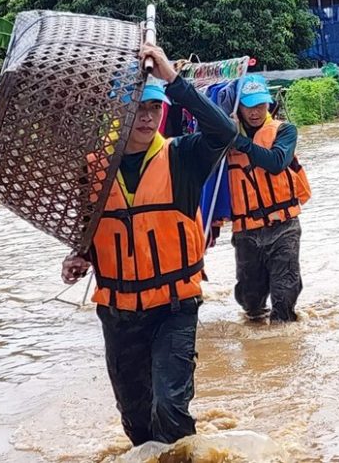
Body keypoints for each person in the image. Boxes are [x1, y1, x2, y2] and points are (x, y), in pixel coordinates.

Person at [60, 43, 237, 447]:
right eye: (136, 108)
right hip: (119, 314)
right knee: (137, 422)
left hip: (174, 309)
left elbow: (225, 132)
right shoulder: (94, 169)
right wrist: (78, 257)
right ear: (117, 114)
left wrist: (171, 80)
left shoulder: (183, 156)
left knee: (171, 411)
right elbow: (92, 230)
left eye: (153, 108)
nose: (146, 117)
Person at [228, 76, 311, 323]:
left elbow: (276, 163)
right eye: (249, 105)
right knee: (251, 302)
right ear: (237, 107)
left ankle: (283, 351)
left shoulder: (285, 131)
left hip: (284, 227)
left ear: (269, 104)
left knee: (284, 298)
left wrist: (239, 142)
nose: (255, 112)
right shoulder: (222, 140)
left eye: (261, 105)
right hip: (246, 231)